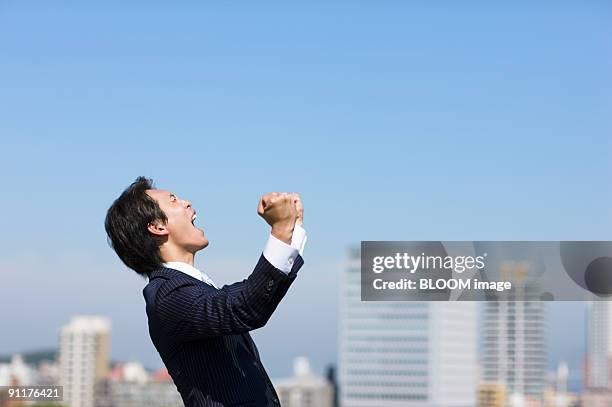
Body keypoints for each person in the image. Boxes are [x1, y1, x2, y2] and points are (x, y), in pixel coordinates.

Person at [104, 177, 306, 406]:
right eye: (173, 200)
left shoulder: (193, 287)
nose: (186, 202)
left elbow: (255, 300)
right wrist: (280, 230)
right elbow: (244, 307)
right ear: (157, 226)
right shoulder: (167, 295)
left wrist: (292, 228)